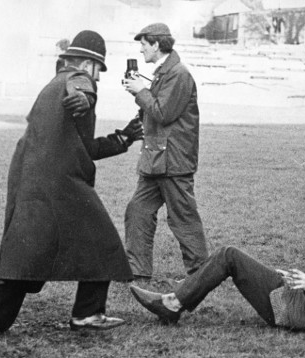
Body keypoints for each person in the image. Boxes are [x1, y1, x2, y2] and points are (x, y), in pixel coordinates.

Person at [0, 30, 144, 334]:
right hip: (61, 183)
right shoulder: (77, 79)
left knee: (24, 250)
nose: (99, 78)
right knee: (103, 241)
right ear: (87, 63)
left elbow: (84, 148)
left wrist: (126, 136)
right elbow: (80, 87)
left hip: (32, 180)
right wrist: (85, 96)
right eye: (99, 70)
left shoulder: (52, 85)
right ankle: (88, 314)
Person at [129, 234, 305, 333]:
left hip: (285, 308)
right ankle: (175, 300)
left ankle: (173, 303)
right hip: (287, 292)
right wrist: (302, 280)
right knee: (229, 255)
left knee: (229, 255)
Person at [121, 23, 208, 281]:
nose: (141, 49)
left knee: (183, 219)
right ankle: (137, 272)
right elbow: (155, 111)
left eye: (144, 44)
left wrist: (141, 92)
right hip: (155, 160)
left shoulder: (178, 74)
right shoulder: (164, 72)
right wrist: (142, 95)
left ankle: (202, 275)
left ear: (157, 44)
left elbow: (164, 112)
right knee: (137, 211)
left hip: (173, 161)